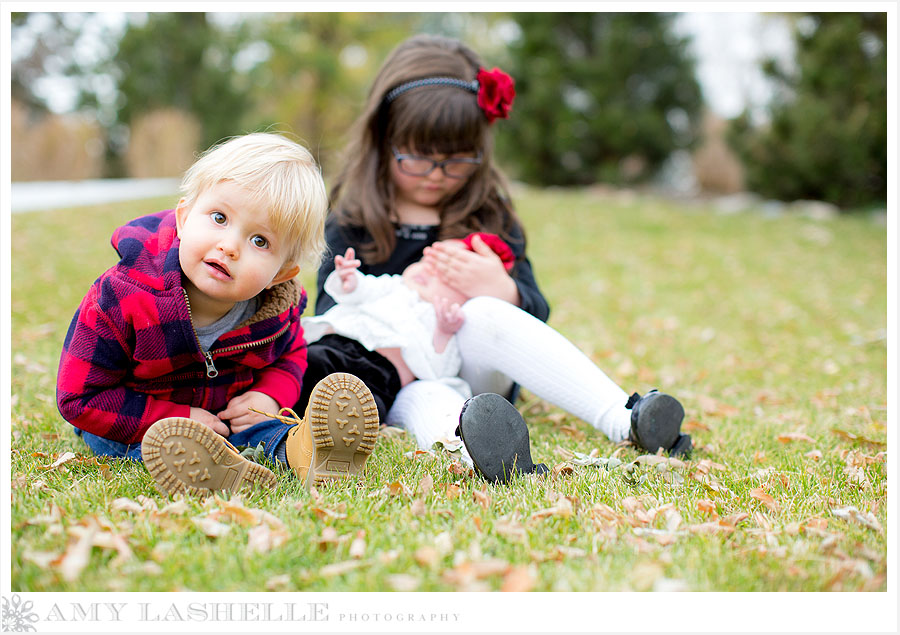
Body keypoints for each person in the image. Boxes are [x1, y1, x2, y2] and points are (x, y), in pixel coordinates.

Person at [296, 34, 690, 484]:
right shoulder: (354, 217)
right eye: (418, 158)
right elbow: (330, 318)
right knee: (429, 403)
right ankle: (484, 449)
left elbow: (536, 312)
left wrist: (500, 286)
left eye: (456, 160)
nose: (437, 175)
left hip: (478, 362)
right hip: (400, 380)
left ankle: (626, 418)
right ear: (384, 140)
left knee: (482, 312)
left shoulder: (488, 214)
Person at [55, 132, 379, 496]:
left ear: (281, 274)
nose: (230, 246)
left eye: (260, 241)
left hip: (228, 417)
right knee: (132, 441)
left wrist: (269, 397)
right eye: (219, 217)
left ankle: (307, 454)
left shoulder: (275, 310)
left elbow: (292, 355)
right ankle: (206, 463)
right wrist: (174, 418)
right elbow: (78, 397)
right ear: (183, 217)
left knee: (264, 430)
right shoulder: (123, 298)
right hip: (138, 420)